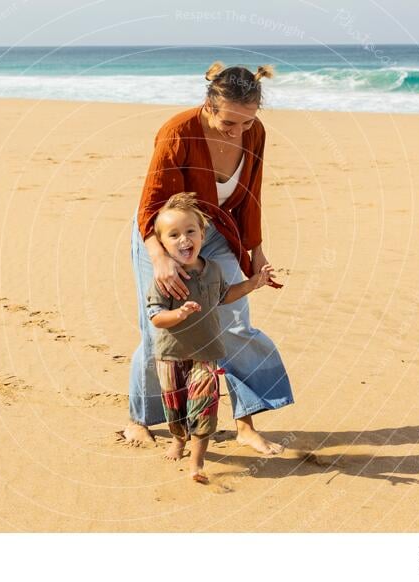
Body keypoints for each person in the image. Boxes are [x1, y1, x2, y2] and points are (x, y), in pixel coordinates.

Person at [126, 61, 294, 455]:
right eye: (229, 125)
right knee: (160, 329)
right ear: (208, 105)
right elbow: (151, 205)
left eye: (247, 123)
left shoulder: (254, 132)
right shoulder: (177, 132)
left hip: (218, 232)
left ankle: (245, 423)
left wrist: (256, 250)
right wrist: (161, 257)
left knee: (234, 323)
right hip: (164, 232)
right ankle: (139, 419)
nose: (238, 132)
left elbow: (251, 193)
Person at [147, 193, 276, 483]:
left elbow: (224, 296)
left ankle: (197, 463)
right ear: (162, 244)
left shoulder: (213, 270)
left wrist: (253, 283)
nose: (184, 240)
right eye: (174, 235)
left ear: (202, 235)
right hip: (170, 355)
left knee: (204, 405)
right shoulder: (164, 279)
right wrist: (179, 314)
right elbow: (155, 317)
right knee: (175, 406)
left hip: (206, 353)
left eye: (190, 232)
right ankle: (178, 439)